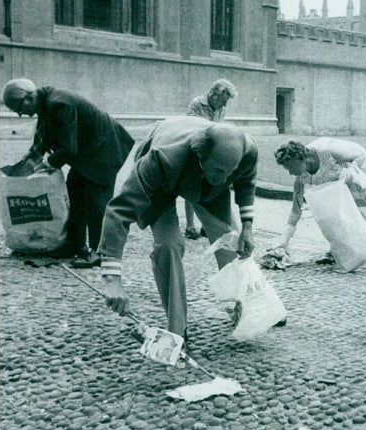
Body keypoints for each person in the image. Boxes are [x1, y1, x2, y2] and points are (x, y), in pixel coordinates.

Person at [97, 117, 257, 337]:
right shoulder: (160, 159)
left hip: (205, 182)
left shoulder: (245, 153)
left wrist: (247, 227)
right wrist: (112, 280)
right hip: (162, 184)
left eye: (230, 171)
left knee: (230, 240)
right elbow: (119, 212)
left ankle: (248, 306)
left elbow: (245, 180)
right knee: (169, 246)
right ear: (202, 155)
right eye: (220, 170)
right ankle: (177, 331)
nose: (225, 178)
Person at [1, 79, 134, 268]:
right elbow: (43, 138)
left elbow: (67, 149)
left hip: (105, 149)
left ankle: (100, 253)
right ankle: (73, 245)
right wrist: (26, 164)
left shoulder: (59, 103)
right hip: (88, 151)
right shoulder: (46, 102)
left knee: (97, 202)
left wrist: (46, 163)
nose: (22, 114)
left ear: (29, 96)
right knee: (75, 193)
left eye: (20, 108)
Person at [267, 138, 366, 266]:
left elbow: (360, 155)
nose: (290, 173)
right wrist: (284, 240)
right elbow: (296, 210)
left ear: (299, 159)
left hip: (354, 164)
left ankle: (364, 246)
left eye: (290, 167)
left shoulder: (328, 150)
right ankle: (336, 250)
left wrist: (350, 173)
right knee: (329, 209)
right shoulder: (301, 177)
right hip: (334, 175)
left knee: (355, 204)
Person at [183, 79, 238, 239]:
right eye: (223, 101)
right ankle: (190, 225)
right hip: (195, 149)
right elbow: (190, 126)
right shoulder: (196, 104)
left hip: (212, 153)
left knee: (214, 185)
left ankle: (206, 226)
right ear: (214, 95)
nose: (225, 106)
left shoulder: (221, 109)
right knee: (191, 186)